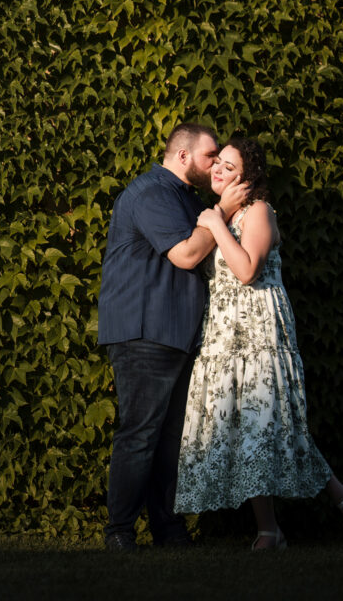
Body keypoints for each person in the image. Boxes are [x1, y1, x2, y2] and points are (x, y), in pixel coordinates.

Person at [175, 137, 343, 549]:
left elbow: (247, 270)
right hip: (222, 334)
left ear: (248, 179)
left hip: (259, 334)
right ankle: (269, 529)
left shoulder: (258, 212)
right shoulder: (216, 214)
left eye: (230, 168)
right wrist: (214, 219)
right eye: (218, 164)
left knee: (272, 427)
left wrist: (214, 223)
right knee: (240, 429)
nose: (218, 171)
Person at [97, 123, 250, 550]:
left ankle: (167, 528)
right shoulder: (152, 193)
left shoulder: (186, 198)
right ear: (183, 156)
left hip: (176, 335)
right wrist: (218, 214)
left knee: (169, 440)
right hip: (146, 331)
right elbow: (185, 254)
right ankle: (120, 532)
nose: (216, 162)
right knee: (141, 433)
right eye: (210, 156)